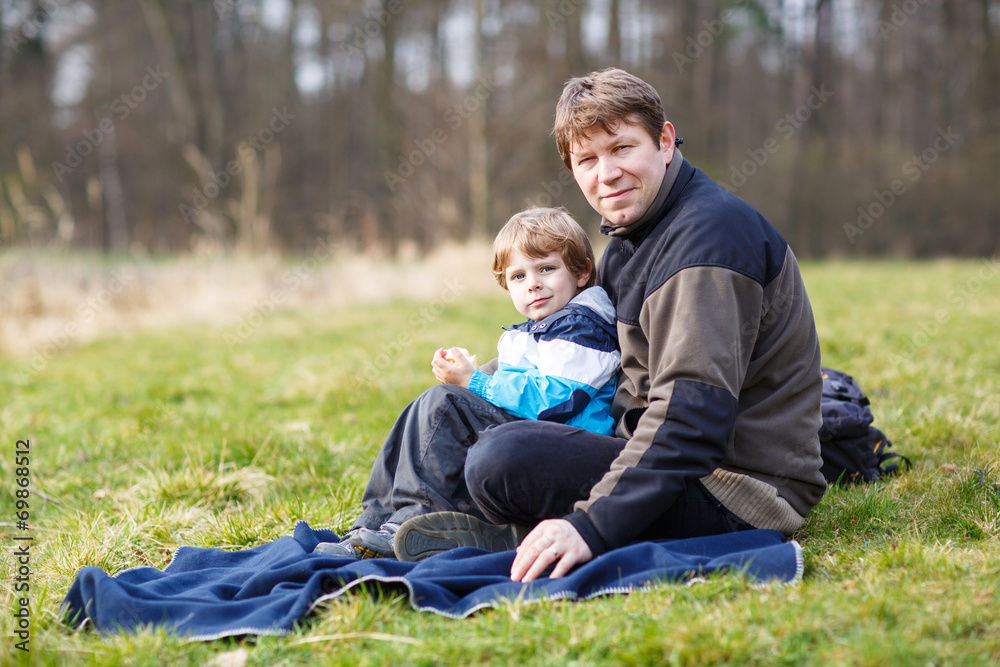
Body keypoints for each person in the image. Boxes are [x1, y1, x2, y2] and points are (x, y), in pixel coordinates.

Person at [392, 67, 827, 582]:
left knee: (505, 457)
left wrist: (592, 527)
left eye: (622, 149)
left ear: (665, 141)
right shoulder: (629, 237)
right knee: (446, 406)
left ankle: (513, 535)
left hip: (732, 488)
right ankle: (383, 530)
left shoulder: (708, 242)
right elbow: (583, 348)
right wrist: (480, 381)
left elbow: (691, 422)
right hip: (640, 447)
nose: (607, 173)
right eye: (587, 159)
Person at [315, 207, 620, 559]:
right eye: (518, 276)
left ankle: (413, 522)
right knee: (422, 410)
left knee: (444, 404)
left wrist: (477, 383)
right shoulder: (549, 324)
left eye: (546, 269)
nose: (533, 283)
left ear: (581, 271)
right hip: (533, 431)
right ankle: (371, 524)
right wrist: (477, 375)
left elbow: (554, 400)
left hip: (562, 444)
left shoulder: (583, 326)